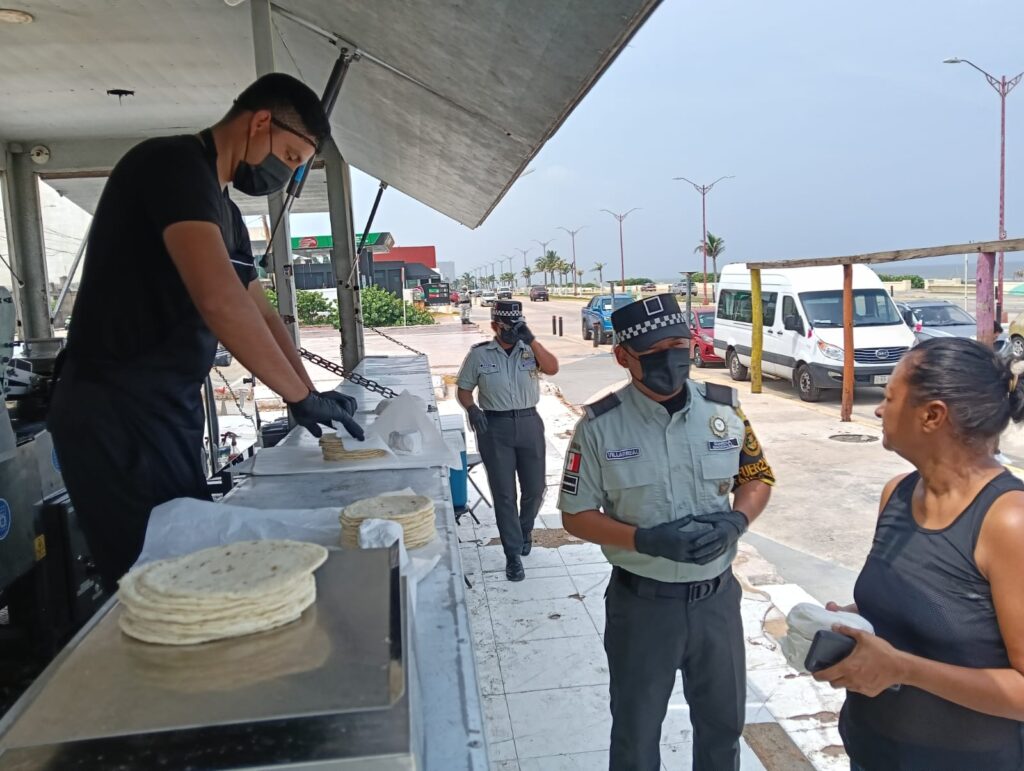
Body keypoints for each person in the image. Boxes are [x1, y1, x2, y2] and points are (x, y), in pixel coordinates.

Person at [48, 73, 363, 590]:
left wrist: (307, 392)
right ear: (261, 122)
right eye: (287, 156)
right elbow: (217, 298)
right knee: (153, 581)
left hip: (168, 410)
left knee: (188, 563)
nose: (283, 174)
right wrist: (297, 395)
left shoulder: (228, 214)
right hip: (115, 407)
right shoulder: (170, 165)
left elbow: (259, 313)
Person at [557, 293, 774, 770]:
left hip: (717, 601)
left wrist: (738, 521)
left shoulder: (726, 411)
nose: (672, 357)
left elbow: (757, 477)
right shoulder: (598, 428)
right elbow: (574, 515)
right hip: (643, 607)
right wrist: (644, 540)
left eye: (679, 343)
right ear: (623, 356)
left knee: (722, 729)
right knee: (636, 735)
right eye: (655, 349)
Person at [815, 337, 1024, 771]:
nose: (878, 409)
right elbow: (920, 611)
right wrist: (847, 624)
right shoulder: (897, 493)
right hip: (871, 750)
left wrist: (903, 670)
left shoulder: (1009, 522)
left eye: (890, 397)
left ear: (932, 416)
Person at [456, 300, 559, 581]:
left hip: (529, 423)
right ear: (494, 326)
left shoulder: (529, 349)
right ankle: (512, 554)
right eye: (507, 326)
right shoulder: (479, 355)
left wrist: (532, 338)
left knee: (536, 489)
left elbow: (552, 368)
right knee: (504, 494)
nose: (512, 331)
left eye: (516, 325)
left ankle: (524, 528)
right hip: (495, 427)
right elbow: (464, 389)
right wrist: (472, 409)